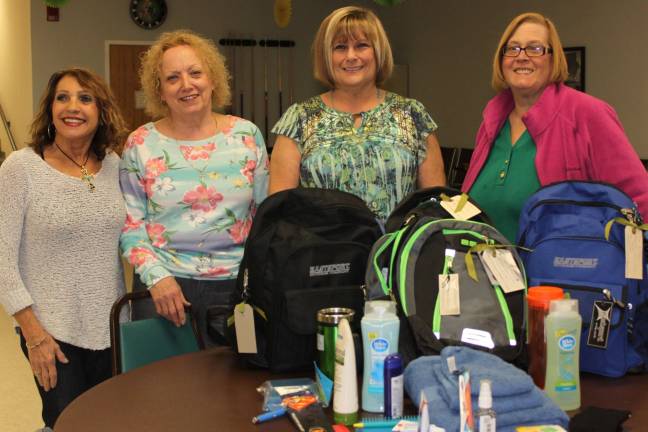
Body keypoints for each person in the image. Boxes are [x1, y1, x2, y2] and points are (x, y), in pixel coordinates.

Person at [120, 30, 268, 347]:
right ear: (159, 91)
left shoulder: (247, 136)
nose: (186, 85)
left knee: (237, 387)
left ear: (213, 79)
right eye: (173, 78)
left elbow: (265, 216)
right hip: (162, 290)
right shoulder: (141, 143)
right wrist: (158, 279)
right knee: (161, 390)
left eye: (195, 73)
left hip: (237, 291)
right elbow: (131, 225)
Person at [0, 67, 128, 428]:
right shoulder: (20, 169)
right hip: (52, 331)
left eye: (85, 98)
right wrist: (34, 335)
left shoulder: (114, 166)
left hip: (112, 328)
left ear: (101, 111)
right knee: (67, 422)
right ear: (50, 109)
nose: (73, 106)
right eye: (63, 97)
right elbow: (2, 260)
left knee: (109, 422)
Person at [463, 12, 648, 242]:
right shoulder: (492, 119)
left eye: (535, 48)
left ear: (554, 59)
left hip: (560, 274)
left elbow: (640, 200)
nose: (522, 57)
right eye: (513, 48)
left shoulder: (587, 113)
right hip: (483, 273)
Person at [269, 6, 445, 222]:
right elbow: (278, 213)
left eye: (361, 45)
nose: (351, 56)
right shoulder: (299, 119)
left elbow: (436, 208)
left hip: (397, 252)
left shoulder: (412, 115)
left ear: (378, 52)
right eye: (340, 47)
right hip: (324, 252)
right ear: (326, 56)